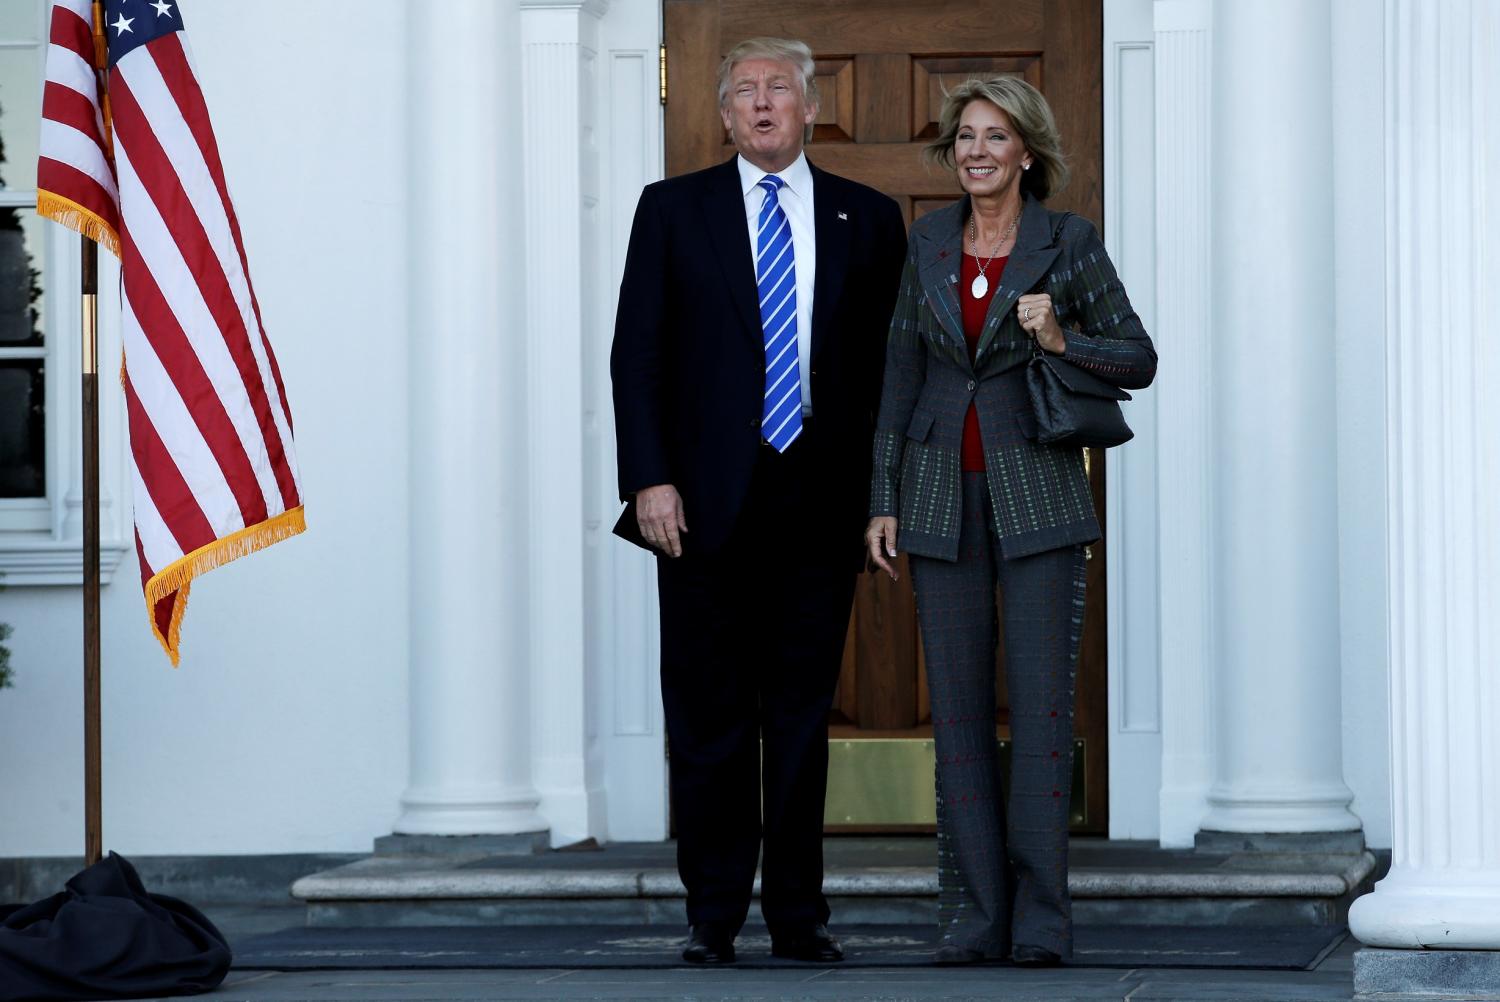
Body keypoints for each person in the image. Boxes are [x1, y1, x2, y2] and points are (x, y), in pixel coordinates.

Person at [610, 37, 907, 965]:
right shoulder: (671, 210)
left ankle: (797, 917)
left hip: (820, 501)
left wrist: (881, 495)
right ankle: (712, 916)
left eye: (780, 87)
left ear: (811, 106)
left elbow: (891, 375)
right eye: (746, 92)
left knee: (800, 721)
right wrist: (647, 478)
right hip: (697, 506)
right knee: (708, 720)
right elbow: (639, 355)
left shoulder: (869, 217)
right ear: (726, 115)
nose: (764, 103)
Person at [864, 76, 1156, 967]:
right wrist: (882, 497)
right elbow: (900, 375)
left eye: (995, 138)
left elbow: (1138, 359)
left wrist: (1063, 338)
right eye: (965, 139)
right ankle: (973, 918)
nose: (978, 153)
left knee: (1040, 711)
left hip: (1039, 498)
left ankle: (1040, 922)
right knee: (955, 715)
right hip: (939, 496)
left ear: (1027, 151)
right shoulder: (927, 243)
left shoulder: (1067, 243)